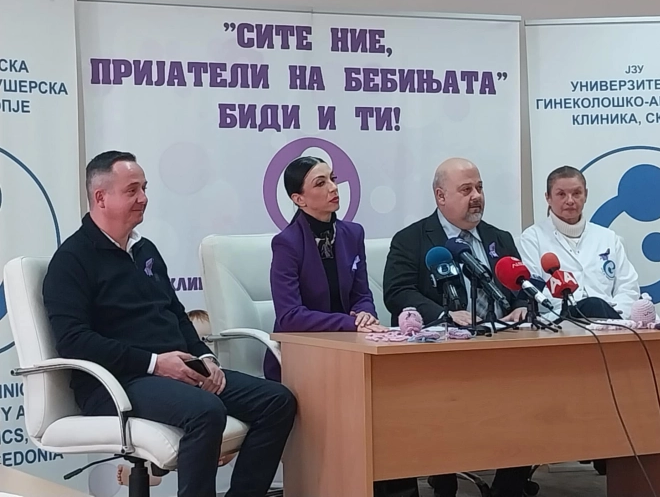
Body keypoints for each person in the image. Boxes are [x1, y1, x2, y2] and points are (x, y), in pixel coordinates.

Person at [43, 151, 297, 497]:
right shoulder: (72, 260)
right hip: (117, 382)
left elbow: (176, 313)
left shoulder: (145, 250)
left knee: (277, 401)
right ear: (101, 198)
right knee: (206, 411)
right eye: (132, 190)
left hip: (177, 371)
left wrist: (205, 358)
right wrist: (154, 363)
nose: (143, 198)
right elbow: (73, 340)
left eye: (144, 188)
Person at [383, 157, 533, 497]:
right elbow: (398, 292)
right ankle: (440, 472)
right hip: (440, 359)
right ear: (440, 196)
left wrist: (522, 306)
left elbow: (522, 285)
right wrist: (444, 314)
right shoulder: (412, 240)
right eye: (466, 190)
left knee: (533, 396)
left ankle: (509, 486)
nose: (476, 196)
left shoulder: (499, 238)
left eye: (479, 188)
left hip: (502, 350)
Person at [267, 156, 410, 496]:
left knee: (394, 403)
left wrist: (365, 315)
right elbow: (290, 317)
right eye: (320, 183)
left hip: (350, 351)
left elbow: (361, 293)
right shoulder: (287, 243)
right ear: (299, 199)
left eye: (332, 178)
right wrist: (350, 323)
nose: (333, 188)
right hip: (302, 358)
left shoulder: (352, 233)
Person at [519, 165, 640, 320]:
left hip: (610, 320)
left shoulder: (608, 237)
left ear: (586, 195)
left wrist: (615, 315)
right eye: (561, 194)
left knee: (598, 305)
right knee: (591, 305)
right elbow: (532, 289)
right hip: (558, 320)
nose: (570, 201)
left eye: (576, 193)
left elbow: (628, 287)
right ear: (548, 198)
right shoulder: (532, 238)